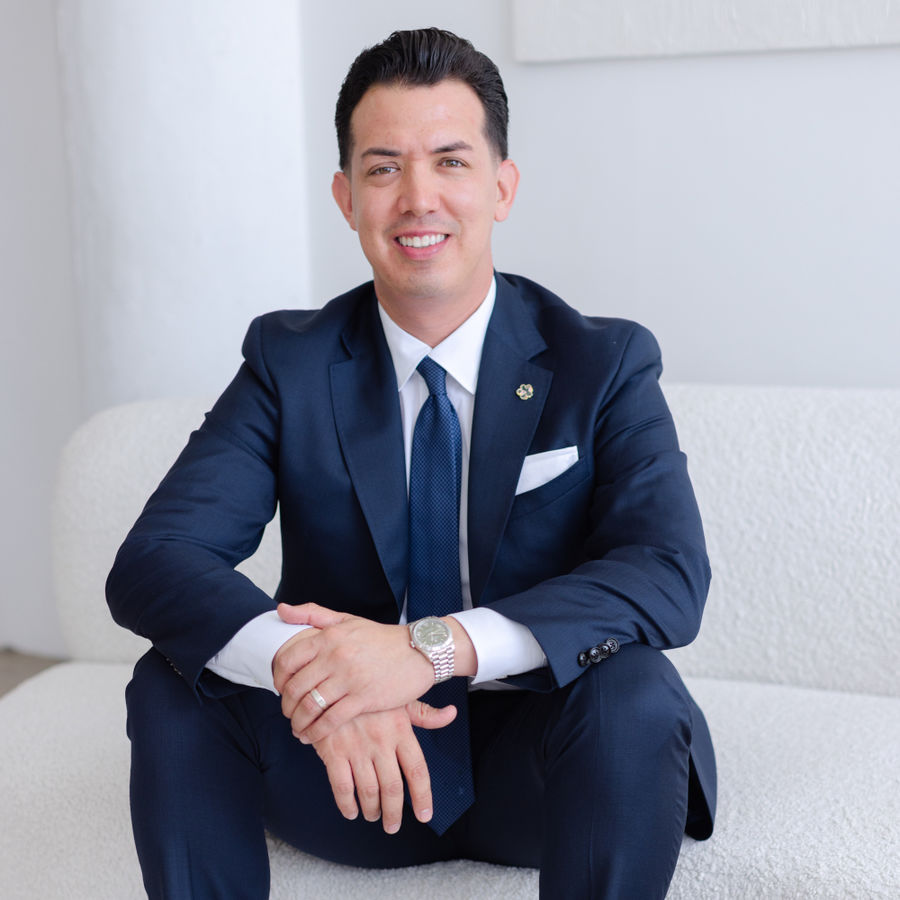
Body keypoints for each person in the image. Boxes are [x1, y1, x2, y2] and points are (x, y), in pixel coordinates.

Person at [107, 27, 716, 899]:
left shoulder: (604, 362)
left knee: (636, 686)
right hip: (350, 768)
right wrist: (317, 677)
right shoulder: (289, 362)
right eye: (385, 168)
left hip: (545, 767)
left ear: (501, 186)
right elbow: (156, 561)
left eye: (451, 162)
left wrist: (425, 651)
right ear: (346, 197)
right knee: (172, 678)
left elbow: (665, 573)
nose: (418, 198)